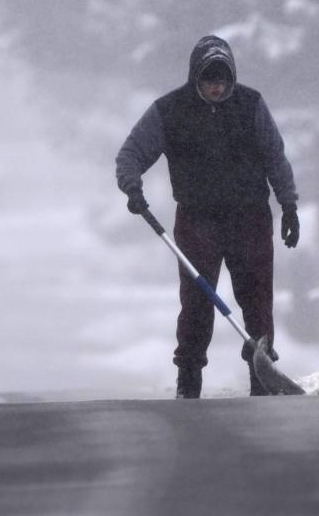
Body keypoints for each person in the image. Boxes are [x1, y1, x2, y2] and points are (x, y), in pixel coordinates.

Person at [115, 34, 300, 398]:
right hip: (197, 221)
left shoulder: (251, 105)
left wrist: (289, 205)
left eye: (223, 82)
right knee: (198, 302)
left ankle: (261, 373)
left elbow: (275, 158)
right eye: (209, 81)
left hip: (250, 218)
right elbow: (131, 154)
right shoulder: (170, 111)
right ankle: (189, 378)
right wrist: (132, 187)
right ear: (195, 77)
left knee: (257, 297)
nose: (217, 89)